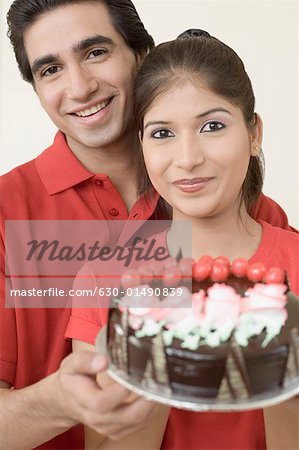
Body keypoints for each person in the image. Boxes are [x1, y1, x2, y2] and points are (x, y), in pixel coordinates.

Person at [0, 0, 296, 447]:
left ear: (141, 55)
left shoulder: (254, 212)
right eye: (50, 69)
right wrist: (67, 397)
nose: (79, 87)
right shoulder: (9, 214)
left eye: (96, 52)